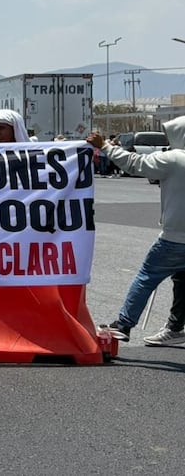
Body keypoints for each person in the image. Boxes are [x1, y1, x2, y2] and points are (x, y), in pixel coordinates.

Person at [87, 115, 185, 343]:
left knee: (147, 276)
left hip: (176, 238)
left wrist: (105, 146)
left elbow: (135, 164)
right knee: (182, 280)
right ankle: (175, 326)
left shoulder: (174, 159)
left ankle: (124, 324)